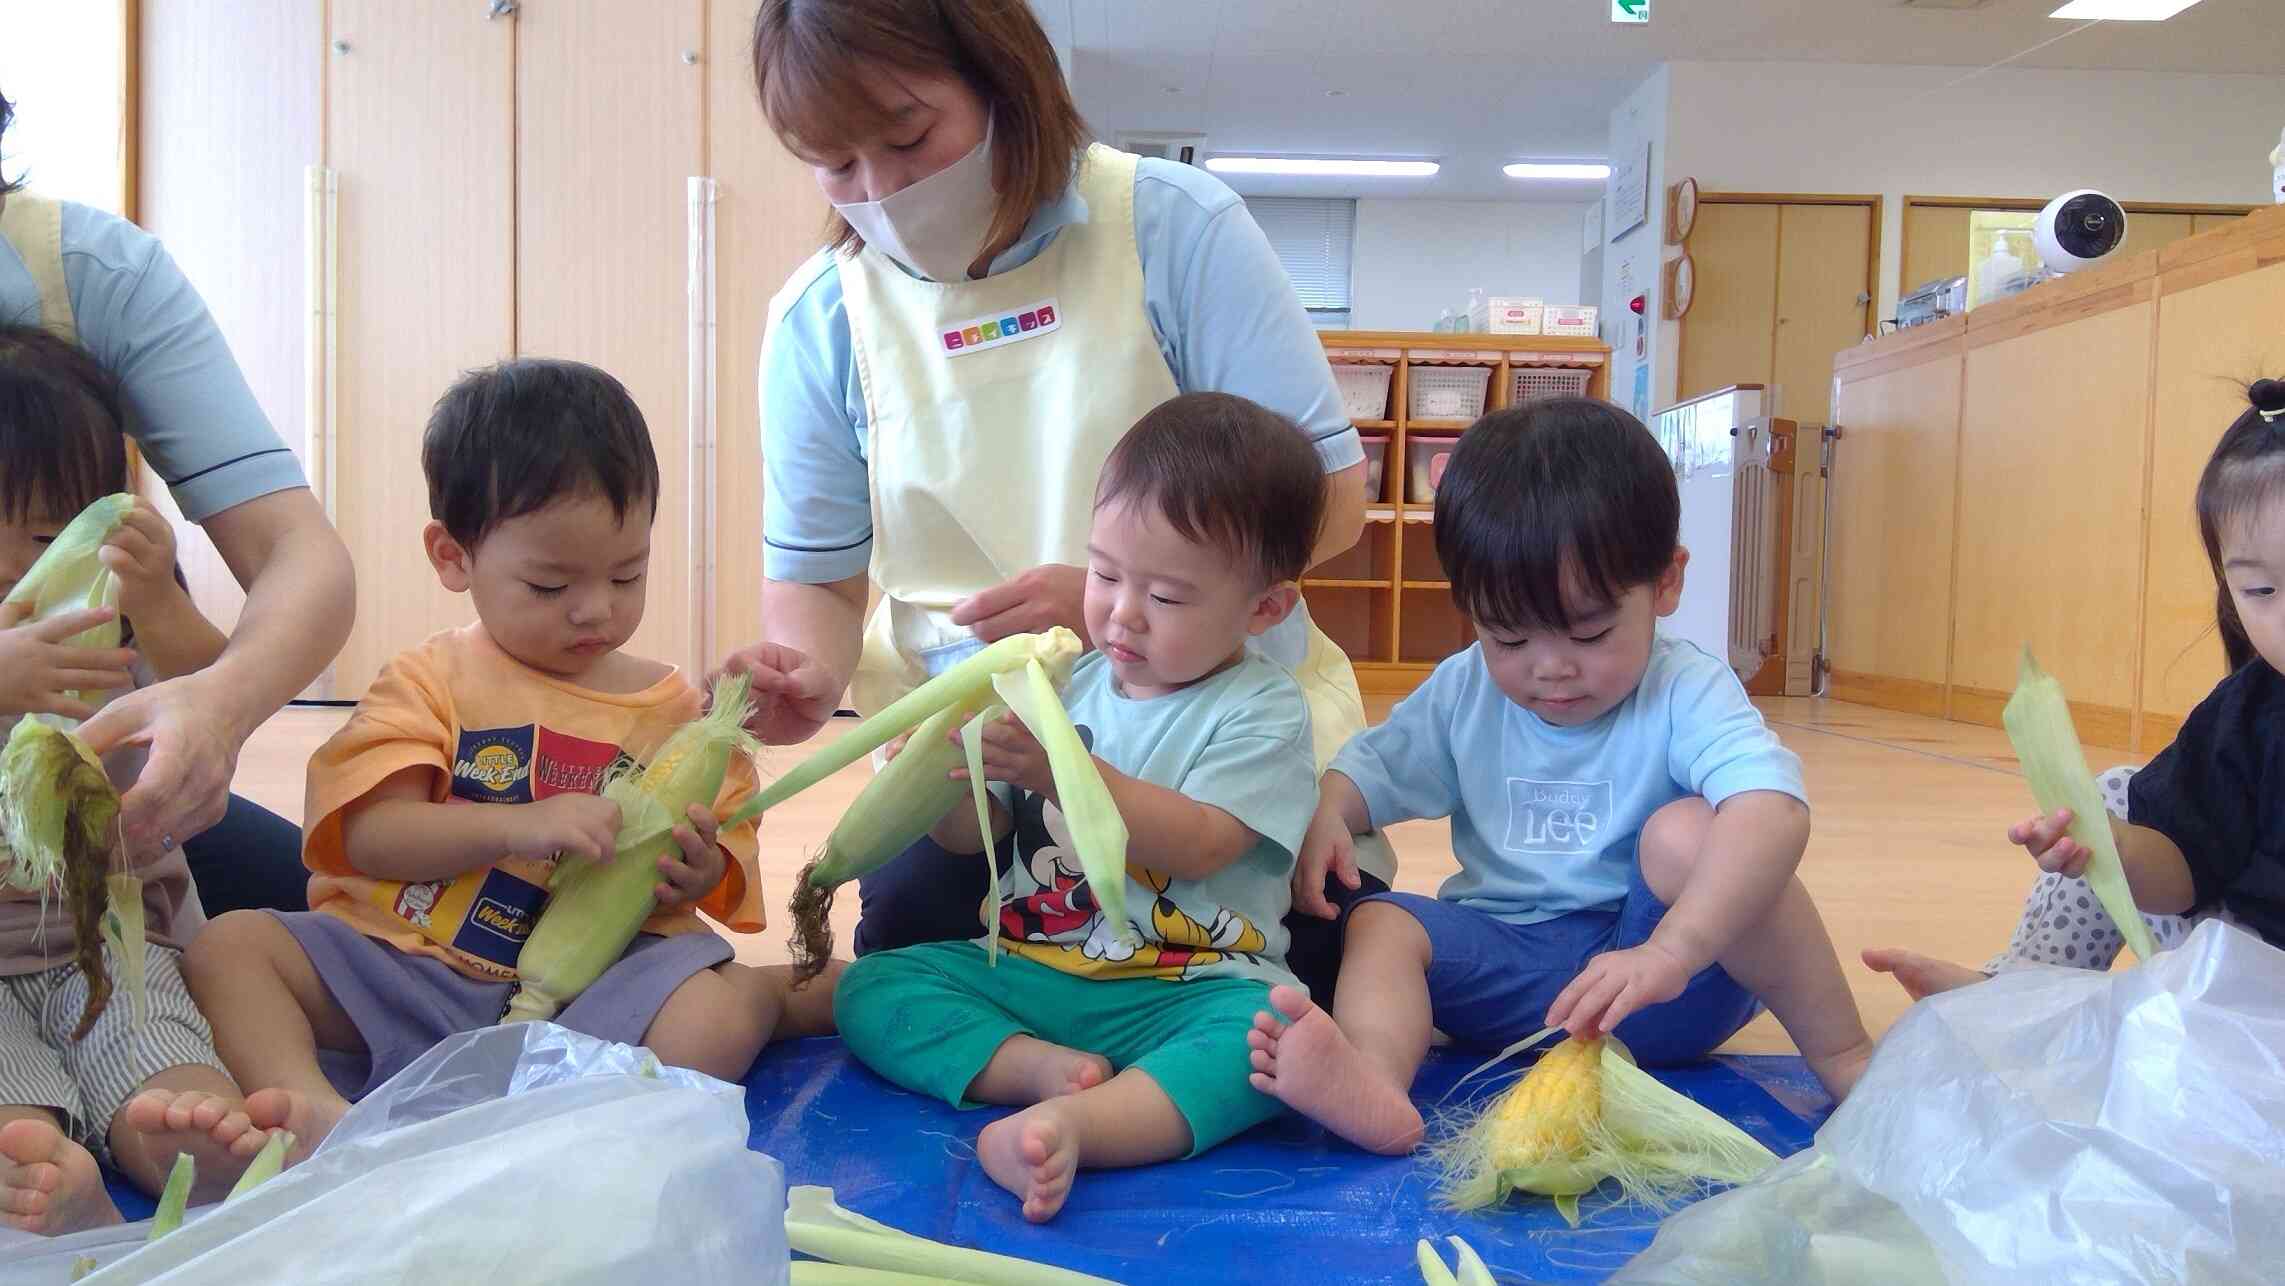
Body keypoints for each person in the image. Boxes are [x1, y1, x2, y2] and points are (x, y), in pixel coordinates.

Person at [722, 0, 1383, 996]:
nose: (882, 190)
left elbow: (1327, 501)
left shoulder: (1171, 226)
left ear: (1004, 82)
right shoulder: (821, 317)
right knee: (910, 977)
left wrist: (1124, 604)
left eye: (907, 136)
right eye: (835, 164)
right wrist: (806, 678)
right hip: (970, 774)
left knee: (1304, 970)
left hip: (1206, 731)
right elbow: (814, 581)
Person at [183, 360, 791, 1157]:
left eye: (627, 573)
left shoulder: (679, 716)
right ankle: (312, 1106)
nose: (595, 608)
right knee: (227, 948)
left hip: (593, 997)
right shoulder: (429, 682)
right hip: (412, 971)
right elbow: (369, 836)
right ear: (453, 557)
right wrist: (516, 828)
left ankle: (598, 1104)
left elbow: (721, 877)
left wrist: (699, 872)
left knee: (714, 1009)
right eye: (548, 585)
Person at [1246, 399, 1875, 1156]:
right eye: (1507, 635)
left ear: (1666, 583)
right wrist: (1329, 811)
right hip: (1512, 983)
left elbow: (1771, 810)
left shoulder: (1684, 689)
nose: (1550, 667)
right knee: (1379, 922)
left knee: (1686, 834)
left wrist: (1670, 949)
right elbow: (1368, 769)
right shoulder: (1464, 688)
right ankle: (1372, 1085)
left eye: (1589, 632)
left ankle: (1845, 1056)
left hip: (1660, 985)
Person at [833, 393, 1322, 1222]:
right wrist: (937, 774)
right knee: (876, 988)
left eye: (1166, 597)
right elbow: (976, 837)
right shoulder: (1060, 683)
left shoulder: (1262, 709)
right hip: (1035, 969)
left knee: (1265, 1045)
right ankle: (1039, 1072)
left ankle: (1078, 1126)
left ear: (1264, 608)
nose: (1120, 613)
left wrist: (1067, 774)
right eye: (1102, 574)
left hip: (1188, 983)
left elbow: (1201, 844)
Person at [0, 86, 354, 915]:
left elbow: (294, 557)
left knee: (346, 928)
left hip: (104, 865)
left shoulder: (90, 274)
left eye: (48, 535)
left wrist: (216, 706)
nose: (20, 565)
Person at [1866, 378, 2285, 997]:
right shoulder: (2246, 715)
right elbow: (2187, 873)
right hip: (2244, 980)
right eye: (2262, 592)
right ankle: (2023, 989)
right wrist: (2107, 848)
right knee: (2114, 798)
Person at [0, 325, 284, 1235]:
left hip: (117, 938)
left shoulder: (116, 616)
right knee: (9, 1113)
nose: (15, 565)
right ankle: (53, 1177)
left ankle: (175, 1141)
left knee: (161, 1049)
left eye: (48, 534)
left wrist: (158, 599)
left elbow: (215, 684)